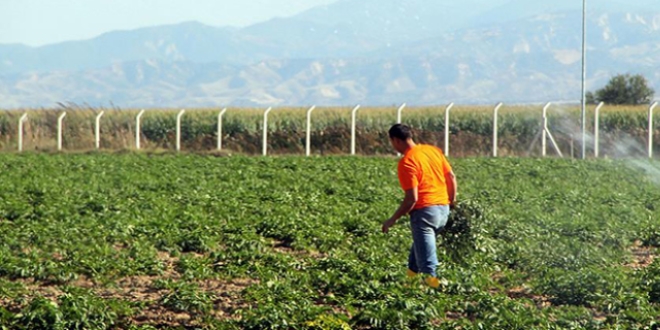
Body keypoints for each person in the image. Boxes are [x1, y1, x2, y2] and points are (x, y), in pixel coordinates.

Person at [382, 124, 457, 288]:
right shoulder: (432, 151)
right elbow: (451, 176)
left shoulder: (407, 162)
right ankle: (409, 285)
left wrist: (392, 220)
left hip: (425, 214)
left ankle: (434, 293)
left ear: (395, 140)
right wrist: (451, 202)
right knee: (419, 250)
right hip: (443, 210)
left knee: (427, 264)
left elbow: (412, 199)